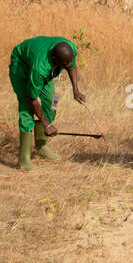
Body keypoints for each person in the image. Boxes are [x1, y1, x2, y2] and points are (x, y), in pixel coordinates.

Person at [9, 36, 86, 172]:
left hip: (42, 64)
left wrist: (76, 90)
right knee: (27, 110)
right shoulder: (40, 68)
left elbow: (71, 65)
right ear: (55, 61)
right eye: (64, 65)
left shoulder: (69, 48)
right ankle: (24, 158)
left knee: (52, 103)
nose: (67, 66)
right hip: (21, 65)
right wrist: (46, 124)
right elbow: (32, 99)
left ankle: (41, 148)